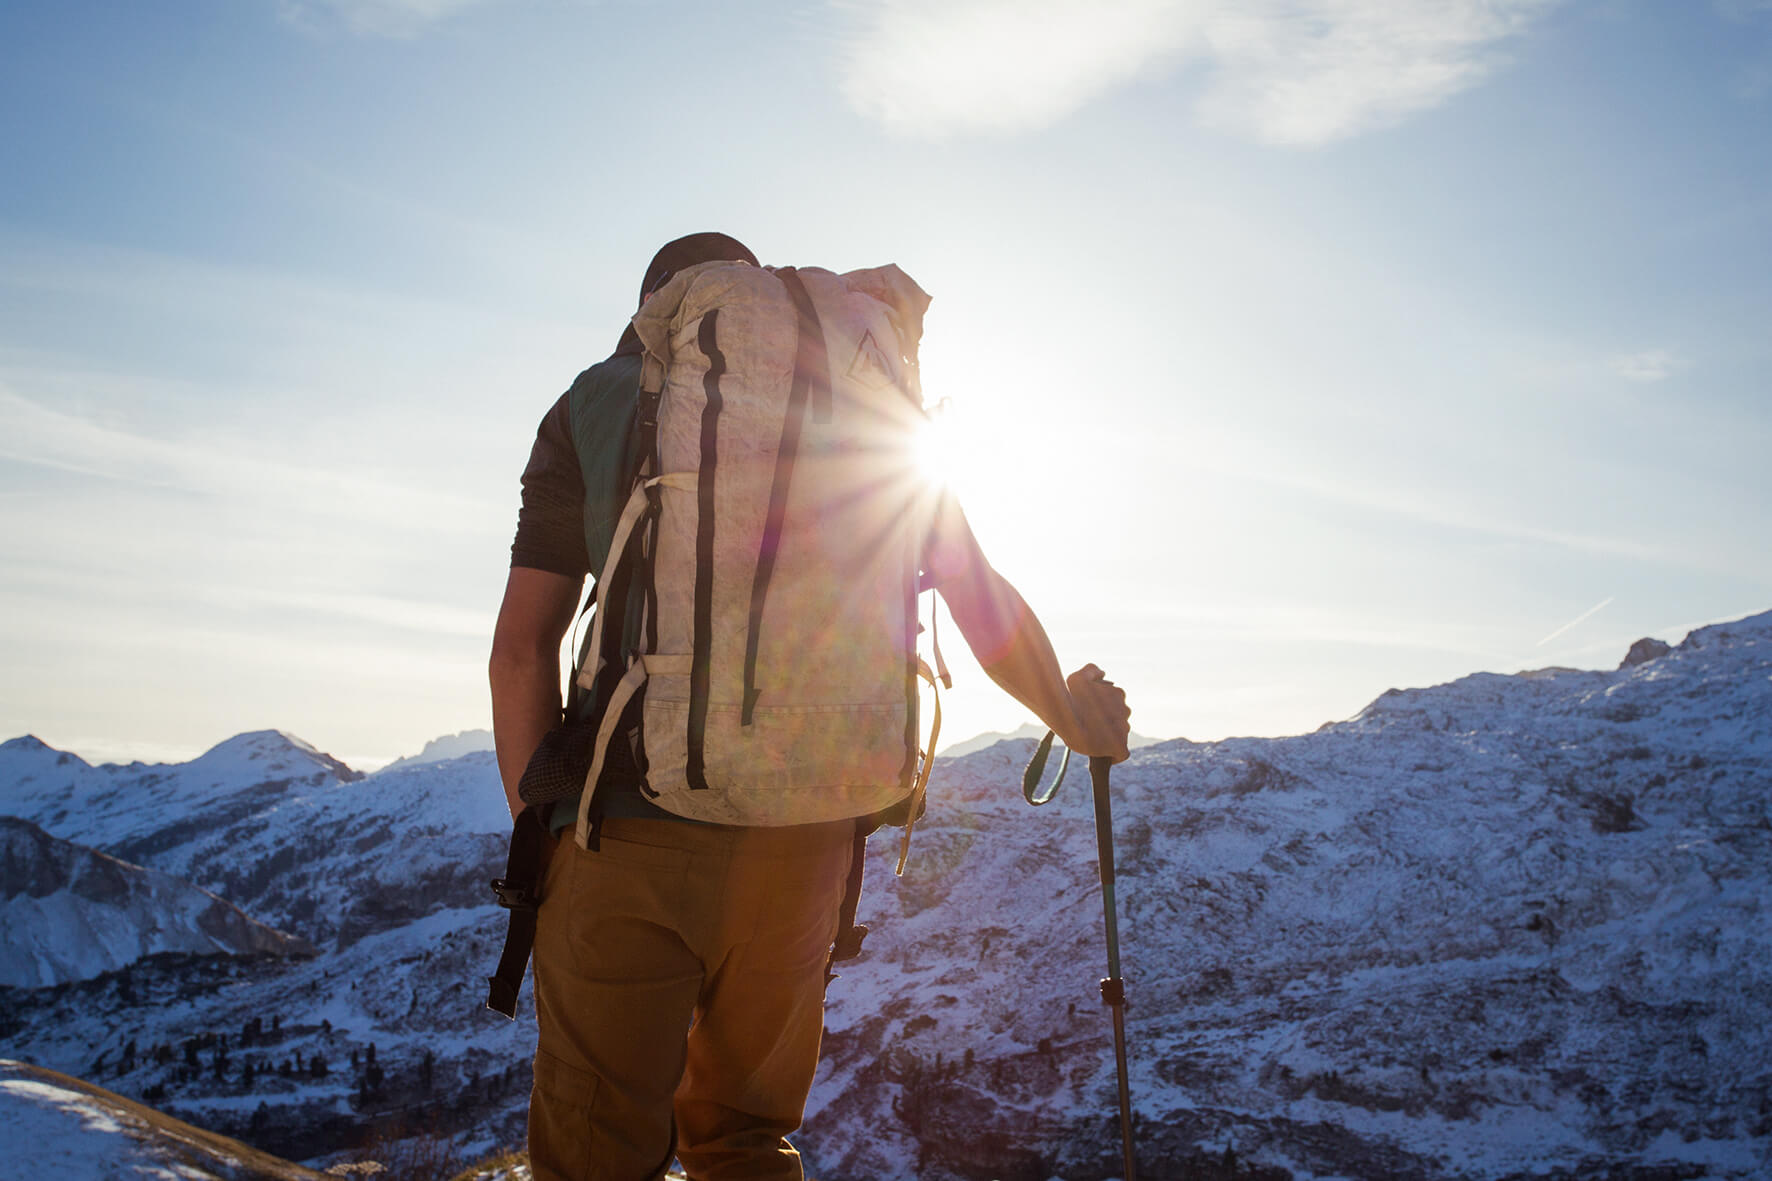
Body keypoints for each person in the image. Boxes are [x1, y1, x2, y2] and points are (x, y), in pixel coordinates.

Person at [489, 232, 1131, 1181]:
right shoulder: (860, 402)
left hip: (625, 839)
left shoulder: (596, 401)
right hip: (805, 848)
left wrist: (548, 833)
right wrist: (1072, 719)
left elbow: (519, 650)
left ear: (654, 314)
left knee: (597, 1155)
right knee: (745, 1142)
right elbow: (975, 591)